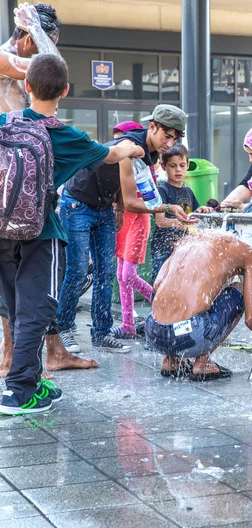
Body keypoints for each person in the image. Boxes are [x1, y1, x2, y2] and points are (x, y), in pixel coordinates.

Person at [0, 54, 143, 415]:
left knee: (18, 308)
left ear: (27, 87)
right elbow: (113, 153)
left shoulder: (5, 124)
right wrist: (134, 147)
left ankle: (30, 380)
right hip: (41, 232)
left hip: (2, 231)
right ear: (64, 90)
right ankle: (18, 391)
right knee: (36, 309)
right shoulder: (68, 136)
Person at [0, 2, 99, 376]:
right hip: (9, 183)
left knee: (36, 277)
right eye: (42, 40)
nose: (46, 47)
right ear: (26, 37)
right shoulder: (3, 58)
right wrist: (39, 32)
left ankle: (49, 351)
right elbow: (55, 68)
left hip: (23, 178)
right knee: (19, 279)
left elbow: (52, 70)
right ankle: (13, 356)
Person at [57, 104, 193, 353]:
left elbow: (124, 193)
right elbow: (132, 201)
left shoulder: (151, 152)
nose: (169, 142)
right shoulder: (133, 147)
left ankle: (101, 333)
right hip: (77, 202)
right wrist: (168, 207)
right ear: (152, 127)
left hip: (104, 206)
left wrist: (118, 208)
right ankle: (63, 329)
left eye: (175, 137)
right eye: (166, 135)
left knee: (105, 274)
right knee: (77, 271)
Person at [145, 231, 252, 380]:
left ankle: (171, 361)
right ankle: (203, 363)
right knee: (239, 288)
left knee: (180, 303)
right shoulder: (249, 253)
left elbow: (157, 285)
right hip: (190, 335)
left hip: (154, 332)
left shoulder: (186, 241)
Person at [110, 120, 153, 340]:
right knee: (120, 275)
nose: (118, 146)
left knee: (129, 275)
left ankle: (161, 302)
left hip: (138, 219)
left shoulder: (142, 163)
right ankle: (128, 324)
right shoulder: (120, 162)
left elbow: (148, 196)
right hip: (123, 220)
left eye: (122, 140)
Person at [150, 144, 212, 281]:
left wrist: (200, 211)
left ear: (188, 165)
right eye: (173, 166)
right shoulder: (162, 190)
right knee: (161, 287)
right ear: (163, 165)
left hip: (183, 248)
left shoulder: (188, 190)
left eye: (182, 165)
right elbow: (160, 221)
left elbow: (192, 213)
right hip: (163, 250)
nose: (178, 169)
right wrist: (180, 223)